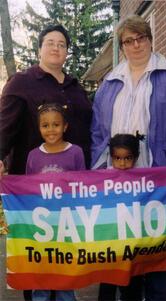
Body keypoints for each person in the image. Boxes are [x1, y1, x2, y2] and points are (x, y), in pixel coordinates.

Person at [0, 24, 92, 301]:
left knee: (65, 253)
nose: (56, 48)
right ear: (40, 48)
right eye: (50, 42)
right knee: (37, 255)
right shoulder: (21, 82)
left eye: (62, 44)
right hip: (33, 192)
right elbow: (4, 127)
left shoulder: (75, 87)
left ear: (66, 52)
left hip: (71, 190)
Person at [91, 14, 166, 301]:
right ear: (122, 45)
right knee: (123, 253)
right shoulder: (110, 83)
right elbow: (98, 133)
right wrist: (98, 172)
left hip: (158, 182)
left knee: (158, 251)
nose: (135, 45)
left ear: (150, 39)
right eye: (128, 41)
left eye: (141, 38)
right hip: (118, 183)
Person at [26, 103, 85, 301]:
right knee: (41, 271)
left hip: (67, 224)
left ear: (65, 126)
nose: (51, 130)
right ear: (39, 128)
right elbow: (27, 189)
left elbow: (84, 187)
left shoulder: (76, 152)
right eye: (45, 125)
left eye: (56, 125)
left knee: (65, 273)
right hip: (42, 225)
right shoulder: (33, 156)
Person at [98, 133, 144, 301]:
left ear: (136, 157)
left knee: (133, 286)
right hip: (109, 245)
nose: (122, 163)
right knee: (107, 286)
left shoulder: (143, 181)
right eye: (117, 158)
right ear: (111, 157)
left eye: (127, 158)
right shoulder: (102, 180)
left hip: (132, 247)